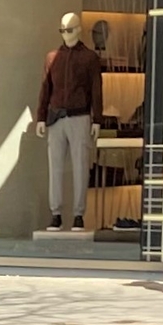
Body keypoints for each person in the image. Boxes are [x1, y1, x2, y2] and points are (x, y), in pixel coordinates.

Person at [35, 12, 103, 231]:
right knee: (54, 167)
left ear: (79, 29)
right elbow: (46, 88)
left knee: (80, 166)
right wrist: (41, 117)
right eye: (63, 30)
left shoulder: (89, 58)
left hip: (80, 116)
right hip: (56, 117)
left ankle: (78, 215)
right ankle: (55, 213)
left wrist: (97, 119)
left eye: (70, 29)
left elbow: (96, 90)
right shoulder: (52, 57)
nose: (66, 34)